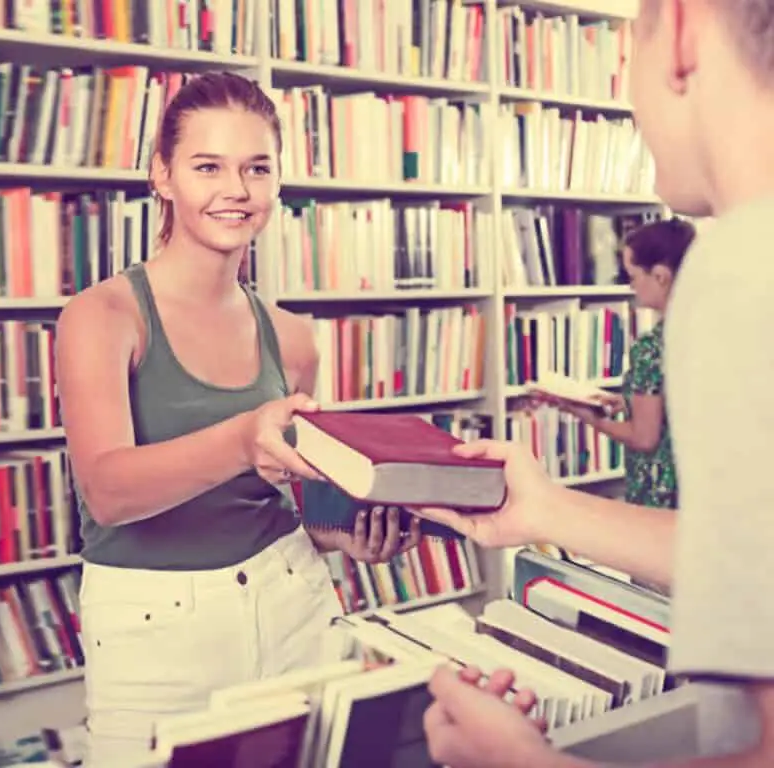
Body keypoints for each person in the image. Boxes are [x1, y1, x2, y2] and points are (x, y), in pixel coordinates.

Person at [417, 1, 774, 766]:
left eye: (626, 52)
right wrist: (543, 510)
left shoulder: (745, 274)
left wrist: (523, 762)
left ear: (678, 30)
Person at [55, 71, 421, 767]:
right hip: (154, 628)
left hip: (293, 601)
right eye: (208, 167)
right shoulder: (102, 316)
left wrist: (347, 533)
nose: (237, 190)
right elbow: (107, 491)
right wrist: (242, 437)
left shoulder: (293, 338)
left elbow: (290, 504)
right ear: (161, 176)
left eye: (257, 168)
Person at [539, 218, 695, 516]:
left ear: (660, 276)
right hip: (700, 487)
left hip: (661, 493)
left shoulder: (652, 349)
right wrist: (626, 402)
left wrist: (591, 418)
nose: (630, 284)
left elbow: (644, 438)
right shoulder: (711, 334)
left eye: (633, 275)